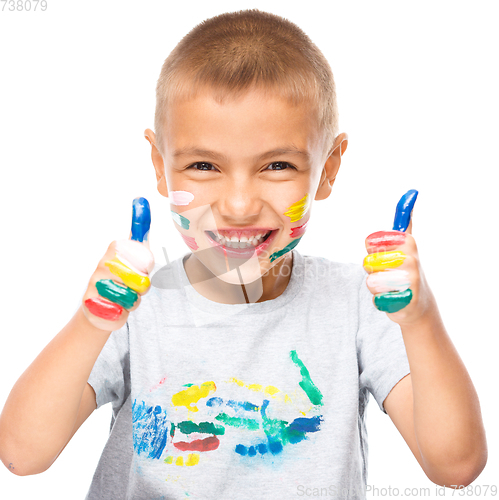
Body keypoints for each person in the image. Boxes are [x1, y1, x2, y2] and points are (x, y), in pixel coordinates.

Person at [0, 8, 487, 499]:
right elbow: (21, 454)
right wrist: (92, 322)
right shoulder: (135, 308)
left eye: (276, 165)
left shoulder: (358, 306)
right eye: (203, 165)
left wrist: (420, 319)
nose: (237, 206)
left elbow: (455, 466)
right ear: (160, 166)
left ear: (329, 168)